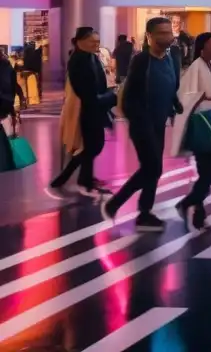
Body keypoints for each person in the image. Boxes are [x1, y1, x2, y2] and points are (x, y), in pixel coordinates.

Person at [102, 17, 181, 232]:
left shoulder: (171, 57)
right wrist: (138, 119)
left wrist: (176, 106)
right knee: (153, 167)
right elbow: (128, 97)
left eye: (169, 32)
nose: (167, 37)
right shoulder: (141, 61)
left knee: (153, 169)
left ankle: (142, 213)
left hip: (159, 122)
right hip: (142, 123)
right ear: (149, 36)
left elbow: (172, 85)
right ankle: (122, 205)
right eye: (162, 33)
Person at [172, 32, 211, 231]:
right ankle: (192, 207)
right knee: (208, 171)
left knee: (208, 170)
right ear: (202, 48)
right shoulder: (195, 68)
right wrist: (202, 97)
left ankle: (194, 208)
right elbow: (183, 97)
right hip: (201, 122)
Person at [51, 27, 115, 197]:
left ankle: (79, 178)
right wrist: (112, 98)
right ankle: (79, 179)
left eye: (98, 42)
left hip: (95, 106)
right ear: (80, 41)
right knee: (92, 146)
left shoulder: (91, 57)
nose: (96, 45)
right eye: (92, 42)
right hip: (86, 109)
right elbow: (86, 92)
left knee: (93, 145)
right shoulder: (78, 61)